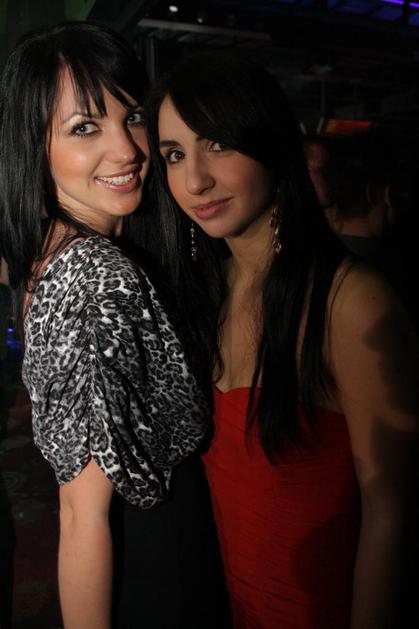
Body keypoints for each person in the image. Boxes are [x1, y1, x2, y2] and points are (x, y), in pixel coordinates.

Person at [145, 51, 419, 628]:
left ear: (269, 141)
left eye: (218, 144)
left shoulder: (351, 302)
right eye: (174, 154)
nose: (195, 180)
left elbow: (392, 513)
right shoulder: (210, 292)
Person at [0, 24, 231, 629]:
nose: (127, 150)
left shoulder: (50, 253)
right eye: (84, 127)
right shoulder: (97, 274)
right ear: (34, 144)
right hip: (153, 556)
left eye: (132, 118)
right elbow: (82, 513)